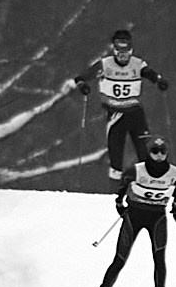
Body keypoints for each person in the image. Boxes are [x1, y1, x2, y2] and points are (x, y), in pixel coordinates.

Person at [83, 135, 176, 287]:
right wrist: (120, 204)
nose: (159, 155)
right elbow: (121, 190)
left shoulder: (175, 173)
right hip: (134, 216)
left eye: (162, 152)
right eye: (155, 151)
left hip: (158, 217)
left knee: (159, 259)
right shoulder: (136, 170)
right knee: (120, 259)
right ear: (149, 152)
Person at [65, 27, 169, 181]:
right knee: (115, 156)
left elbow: (151, 74)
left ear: (131, 51)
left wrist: (159, 81)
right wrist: (82, 85)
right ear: (114, 50)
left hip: (135, 114)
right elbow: (82, 77)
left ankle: (147, 186)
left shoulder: (137, 63)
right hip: (116, 115)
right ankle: (114, 191)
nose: (123, 58)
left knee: (143, 151)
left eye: (125, 54)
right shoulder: (105, 64)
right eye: (119, 54)